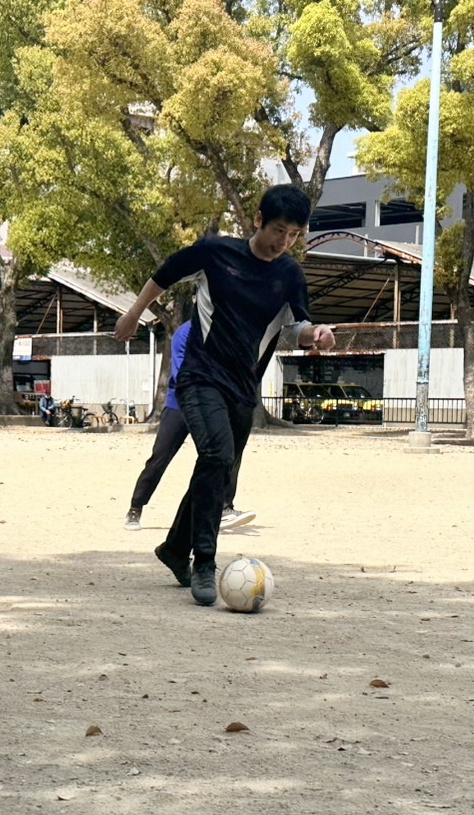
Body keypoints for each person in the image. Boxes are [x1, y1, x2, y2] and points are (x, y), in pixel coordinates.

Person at [114, 184, 335, 605]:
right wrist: (133, 313)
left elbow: (296, 327)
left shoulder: (289, 275)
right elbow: (163, 275)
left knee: (217, 467)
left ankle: (174, 549)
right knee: (216, 456)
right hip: (199, 376)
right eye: (278, 230)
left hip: (243, 387)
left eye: (293, 235)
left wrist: (317, 334)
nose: (283, 242)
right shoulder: (215, 252)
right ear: (257, 221)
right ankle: (204, 560)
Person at [124, 319, 255, 532]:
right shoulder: (185, 333)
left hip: (212, 404)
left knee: (225, 453)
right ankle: (135, 507)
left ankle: (224, 507)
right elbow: (183, 372)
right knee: (160, 457)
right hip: (181, 403)